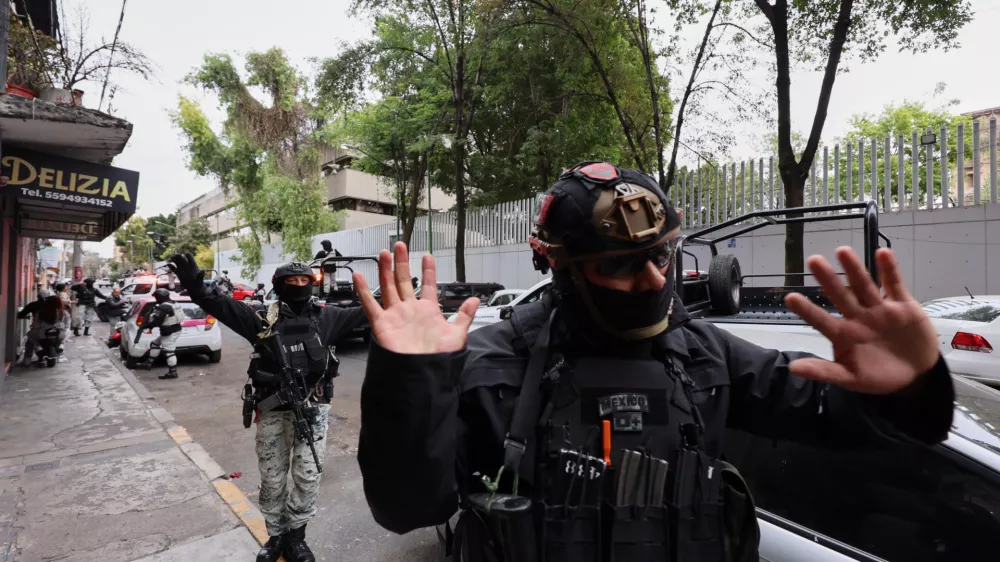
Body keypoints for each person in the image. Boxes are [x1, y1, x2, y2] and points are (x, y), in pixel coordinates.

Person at [353, 162, 954, 561]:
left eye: (660, 256)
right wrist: (410, 379)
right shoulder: (493, 365)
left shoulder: (703, 353)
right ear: (560, 266)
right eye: (620, 265)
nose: (650, 278)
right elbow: (408, 509)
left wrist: (911, 383)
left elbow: (851, 421)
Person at [168, 253, 368, 562]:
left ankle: (297, 538)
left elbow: (369, 311)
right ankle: (275, 536)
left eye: (305, 281)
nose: (299, 286)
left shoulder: (327, 317)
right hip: (273, 408)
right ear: (278, 285)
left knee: (307, 476)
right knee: (273, 478)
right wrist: (197, 287)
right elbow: (220, 304)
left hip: (312, 410)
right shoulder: (262, 318)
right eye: (292, 281)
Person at [134, 288, 184, 380]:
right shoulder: (174, 303)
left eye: (157, 297)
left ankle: (173, 372)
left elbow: (157, 321)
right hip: (176, 329)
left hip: (169, 331)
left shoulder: (164, 307)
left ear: (160, 297)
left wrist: (146, 326)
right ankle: (149, 362)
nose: (156, 299)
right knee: (155, 343)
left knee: (169, 352)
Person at [18, 293, 68, 363]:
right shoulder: (63, 312)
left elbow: (36, 325)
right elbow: (67, 324)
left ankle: (27, 359)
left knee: (30, 336)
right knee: (65, 335)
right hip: (60, 333)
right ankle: (61, 347)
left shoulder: (39, 311)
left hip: (43, 334)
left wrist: (36, 329)